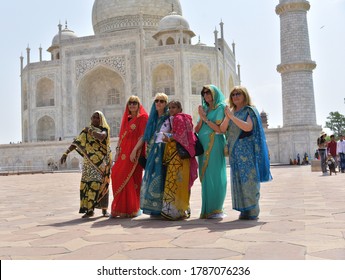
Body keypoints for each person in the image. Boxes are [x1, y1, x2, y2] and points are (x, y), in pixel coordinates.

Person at [220, 86, 272, 220]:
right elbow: (222, 128)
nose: (235, 96)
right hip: (235, 151)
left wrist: (232, 117)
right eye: (233, 94)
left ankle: (253, 209)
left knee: (249, 179)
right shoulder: (232, 112)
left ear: (245, 96)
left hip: (247, 150)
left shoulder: (249, 110)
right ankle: (244, 209)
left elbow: (248, 127)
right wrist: (228, 116)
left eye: (238, 94)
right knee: (238, 179)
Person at [60, 111, 112, 218]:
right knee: (88, 185)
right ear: (91, 118)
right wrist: (66, 153)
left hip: (102, 163)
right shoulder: (85, 132)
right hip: (89, 164)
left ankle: (104, 210)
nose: (95, 119)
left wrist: (90, 131)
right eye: (93, 117)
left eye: (98, 118)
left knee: (102, 185)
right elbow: (76, 143)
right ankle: (89, 210)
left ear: (101, 119)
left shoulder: (104, 129)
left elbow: (102, 137)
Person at [110, 96, 148, 218]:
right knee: (116, 174)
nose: (132, 105)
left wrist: (135, 150)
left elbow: (143, 136)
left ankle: (132, 208)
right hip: (123, 153)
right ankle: (121, 208)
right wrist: (117, 152)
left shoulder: (142, 118)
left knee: (133, 179)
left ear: (138, 105)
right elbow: (122, 137)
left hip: (134, 153)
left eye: (135, 103)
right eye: (130, 103)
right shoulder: (126, 119)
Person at [161, 101, 198, 220]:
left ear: (179, 108)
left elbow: (180, 136)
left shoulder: (177, 118)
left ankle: (172, 211)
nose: (171, 110)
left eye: (174, 107)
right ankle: (182, 209)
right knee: (182, 181)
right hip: (184, 156)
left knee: (173, 180)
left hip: (177, 155)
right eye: (170, 107)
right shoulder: (185, 118)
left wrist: (169, 137)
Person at [195, 85, 227, 219]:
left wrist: (206, 119)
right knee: (206, 176)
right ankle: (207, 210)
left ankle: (216, 209)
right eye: (204, 93)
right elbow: (196, 129)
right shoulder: (205, 109)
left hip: (214, 143)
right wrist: (202, 117)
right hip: (203, 145)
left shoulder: (220, 108)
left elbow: (219, 129)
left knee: (215, 174)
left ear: (215, 94)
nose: (206, 95)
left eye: (209, 93)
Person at [140, 93, 170, 217]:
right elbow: (146, 136)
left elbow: (174, 133)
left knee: (162, 177)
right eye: (157, 101)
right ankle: (153, 207)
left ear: (166, 104)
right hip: (152, 152)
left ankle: (162, 208)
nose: (159, 103)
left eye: (162, 101)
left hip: (163, 151)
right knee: (152, 177)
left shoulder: (168, 118)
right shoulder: (152, 119)